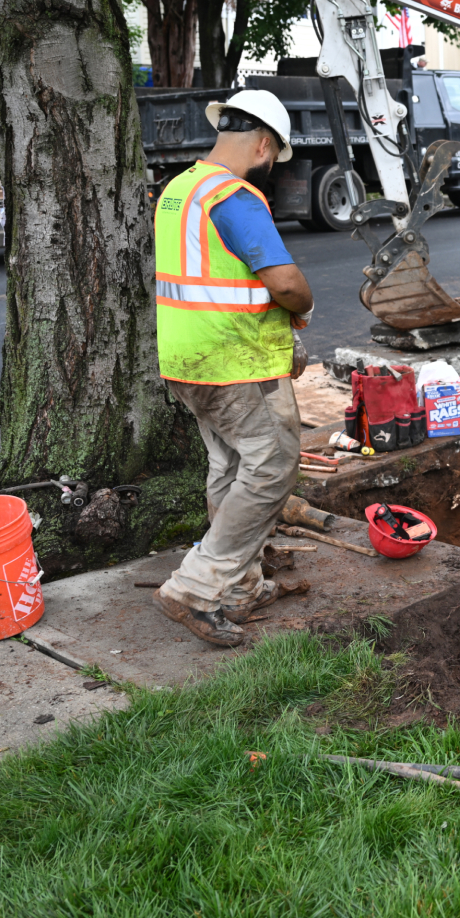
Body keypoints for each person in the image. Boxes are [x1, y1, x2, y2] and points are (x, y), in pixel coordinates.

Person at [152, 90, 314, 646]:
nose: (269, 168)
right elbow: (285, 282)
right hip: (235, 363)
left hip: (186, 360)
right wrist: (303, 307)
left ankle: (240, 586)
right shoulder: (236, 197)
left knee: (229, 466)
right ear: (265, 144)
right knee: (272, 467)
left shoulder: (178, 190)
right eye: (273, 158)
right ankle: (195, 588)